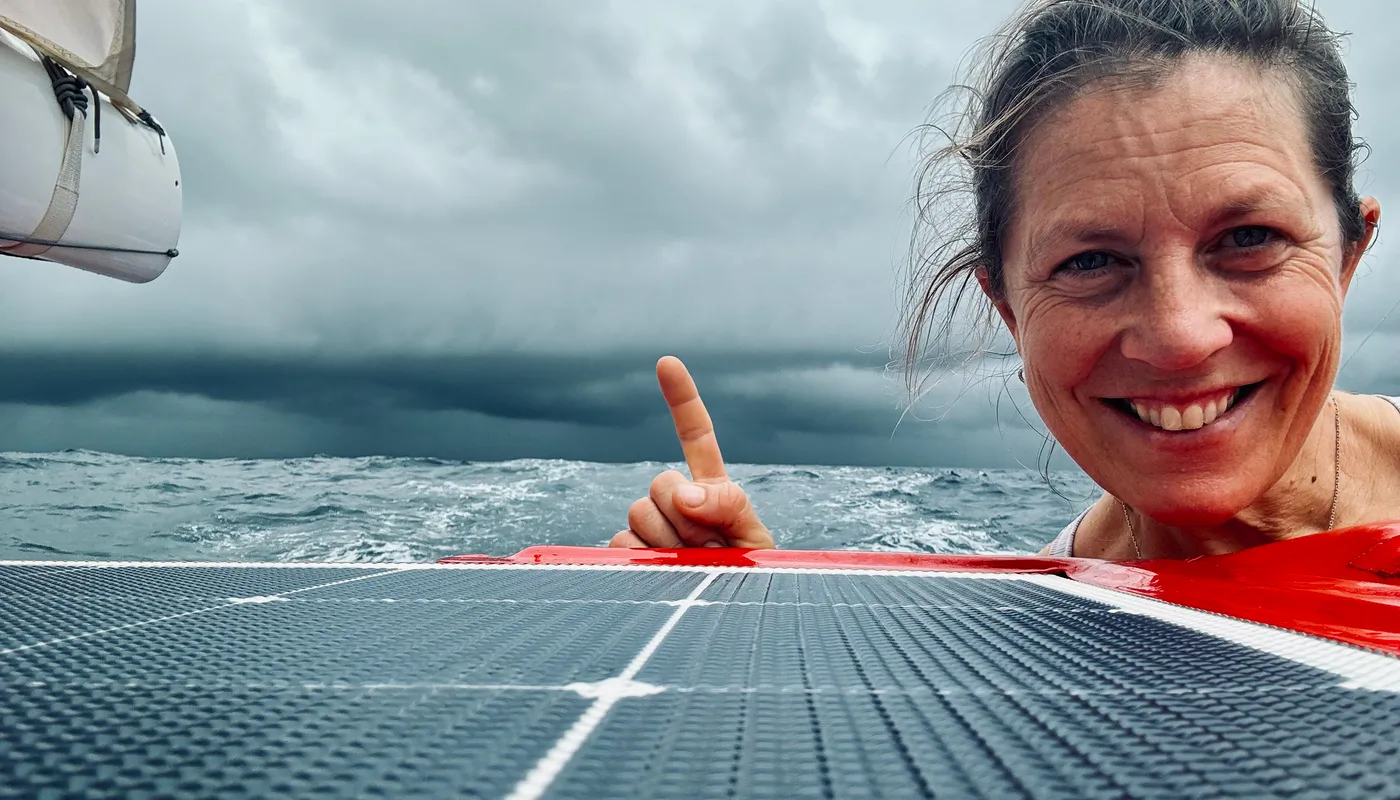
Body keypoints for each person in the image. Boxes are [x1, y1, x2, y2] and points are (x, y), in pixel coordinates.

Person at [610, 0, 1400, 560]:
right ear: (1010, 309)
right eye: (1089, 262)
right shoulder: (1059, 609)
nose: (1179, 336)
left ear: (1347, 253)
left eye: (1250, 238)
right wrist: (737, 617)